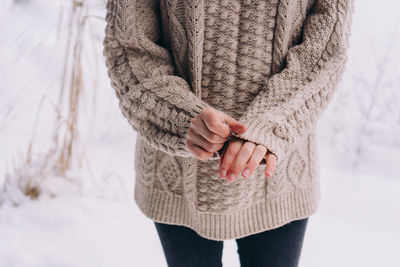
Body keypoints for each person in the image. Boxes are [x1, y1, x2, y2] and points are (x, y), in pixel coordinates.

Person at [103, 0, 354, 266]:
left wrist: (271, 125)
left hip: (279, 173)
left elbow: (326, 51)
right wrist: (179, 115)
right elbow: (129, 47)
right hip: (179, 176)